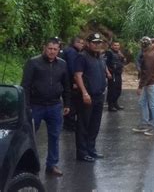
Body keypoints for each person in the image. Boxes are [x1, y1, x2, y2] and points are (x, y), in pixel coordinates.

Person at [21, 37, 71, 176]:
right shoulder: (33, 63)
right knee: (29, 136)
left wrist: (67, 103)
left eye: (55, 49)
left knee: (54, 136)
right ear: (44, 48)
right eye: (50, 48)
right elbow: (25, 85)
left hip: (55, 106)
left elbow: (66, 84)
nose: (52, 52)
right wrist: (26, 106)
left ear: (58, 50)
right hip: (36, 106)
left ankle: (52, 165)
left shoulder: (62, 64)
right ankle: (27, 165)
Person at [74, 33, 108, 162]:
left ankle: (91, 149)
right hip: (88, 96)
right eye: (94, 42)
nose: (97, 45)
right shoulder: (82, 57)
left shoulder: (100, 57)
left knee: (95, 125)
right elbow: (78, 76)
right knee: (83, 125)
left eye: (99, 42)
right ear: (88, 43)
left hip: (99, 95)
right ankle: (82, 153)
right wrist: (84, 93)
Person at [132, 36, 154, 136]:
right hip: (151, 82)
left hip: (151, 83)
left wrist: (140, 86)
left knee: (153, 105)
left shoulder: (149, 55)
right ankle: (144, 124)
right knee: (142, 102)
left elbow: (147, 73)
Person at [62, 36, 84, 131]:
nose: (82, 45)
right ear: (76, 43)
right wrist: (75, 81)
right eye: (81, 43)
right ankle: (69, 124)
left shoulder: (67, 50)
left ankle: (69, 123)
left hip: (65, 79)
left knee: (69, 101)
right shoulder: (72, 52)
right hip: (69, 81)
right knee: (71, 103)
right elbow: (72, 67)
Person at [105, 40, 126, 111]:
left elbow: (122, 61)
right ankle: (110, 106)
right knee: (112, 90)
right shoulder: (109, 53)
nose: (116, 47)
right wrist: (108, 72)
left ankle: (115, 103)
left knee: (118, 90)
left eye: (118, 45)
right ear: (112, 46)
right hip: (112, 74)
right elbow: (105, 63)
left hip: (118, 73)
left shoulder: (119, 53)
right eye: (115, 45)